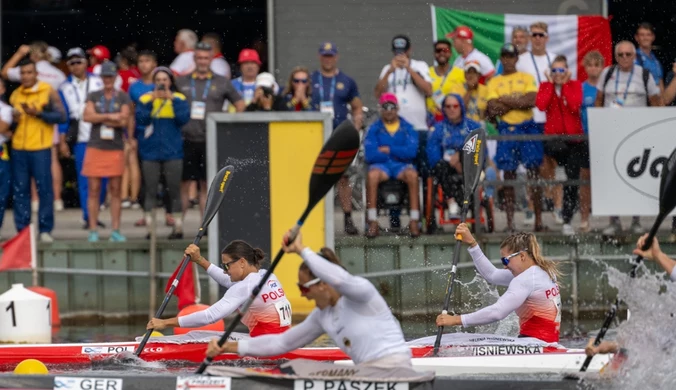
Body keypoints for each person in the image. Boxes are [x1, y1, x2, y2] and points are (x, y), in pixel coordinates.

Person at [205, 230, 412, 369]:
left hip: (397, 369)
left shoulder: (361, 294)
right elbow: (280, 343)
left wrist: (301, 250)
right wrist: (229, 347)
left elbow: (339, 278)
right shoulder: (322, 316)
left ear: (323, 283)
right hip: (368, 376)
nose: (303, 294)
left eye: (304, 287)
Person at [436, 223, 562, 343]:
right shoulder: (544, 271)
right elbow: (492, 275)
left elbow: (497, 312)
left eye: (506, 260)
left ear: (522, 256)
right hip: (546, 344)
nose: (505, 266)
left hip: (534, 346)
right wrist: (473, 244)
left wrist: (456, 320)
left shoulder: (525, 280)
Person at [147, 240, 292, 337]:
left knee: (198, 336)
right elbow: (226, 280)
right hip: (283, 341)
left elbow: (209, 316)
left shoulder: (244, 287)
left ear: (242, 262)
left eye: (227, 265)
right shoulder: (267, 275)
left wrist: (165, 322)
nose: (225, 270)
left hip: (264, 349)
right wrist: (199, 260)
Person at [136, 66, 190, 239]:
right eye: (158, 80)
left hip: (172, 152)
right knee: (150, 190)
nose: (161, 83)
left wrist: (171, 99)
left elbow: (183, 119)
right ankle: (150, 229)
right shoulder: (145, 98)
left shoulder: (179, 98)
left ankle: (178, 227)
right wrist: (152, 100)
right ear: (154, 82)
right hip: (150, 152)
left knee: (174, 190)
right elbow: (141, 120)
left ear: (170, 82)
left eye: (164, 80)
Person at [81, 61, 131, 242]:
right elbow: (87, 116)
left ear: (115, 77)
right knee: (93, 189)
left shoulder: (122, 96)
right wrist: (111, 117)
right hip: (95, 146)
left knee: (115, 190)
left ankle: (115, 230)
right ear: (101, 78)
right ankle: (93, 229)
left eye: (110, 76)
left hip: (115, 147)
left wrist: (100, 118)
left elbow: (124, 120)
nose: (108, 79)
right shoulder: (94, 95)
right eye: (105, 76)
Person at [535, 55, 584, 237]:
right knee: (556, 150)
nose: (557, 74)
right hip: (555, 139)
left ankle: (567, 218)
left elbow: (574, 105)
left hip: (573, 139)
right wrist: (549, 85)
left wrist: (564, 85)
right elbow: (541, 105)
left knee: (572, 182)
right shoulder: (545, 86)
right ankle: (560, 167)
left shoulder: (575, 86)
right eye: (554, 70)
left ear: (567, 71)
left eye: (561, 70)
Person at [426, 93, 481, 217]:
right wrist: (451, 161)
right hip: (446, 167)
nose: (452, 109)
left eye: (455, 106)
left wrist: (461, 158)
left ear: (461, 107)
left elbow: (479, 149)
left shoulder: (473, 126)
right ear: (444, 108)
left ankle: (465, 203)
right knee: (439, 166)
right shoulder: (438, 129)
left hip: (469, 166)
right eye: (448, 106)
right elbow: (432, 153)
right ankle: (452, 202)